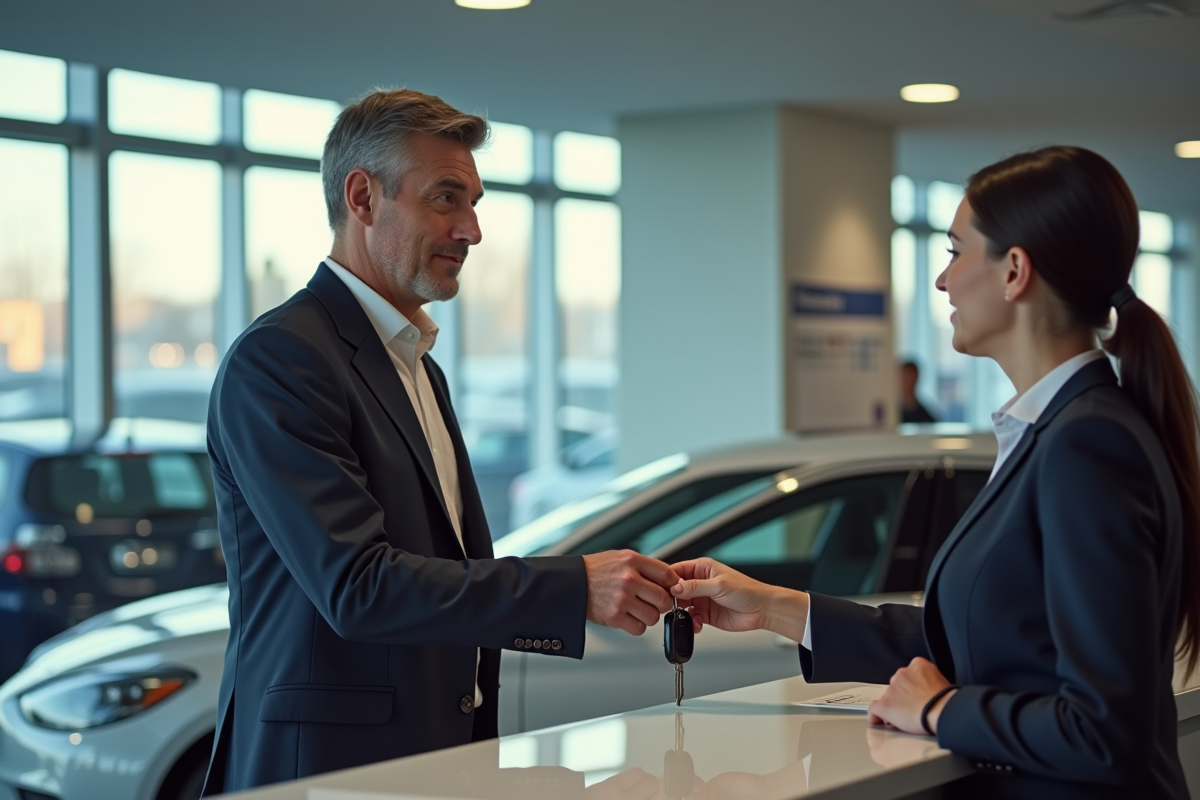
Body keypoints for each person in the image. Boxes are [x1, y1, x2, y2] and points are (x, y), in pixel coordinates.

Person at [670, 146, 1199, 799]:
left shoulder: (1086, 442)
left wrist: (941, 711)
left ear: (1014, 272)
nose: (943, 282)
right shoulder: (1063, 428)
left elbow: (1104, 731)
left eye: (954, 252)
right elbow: (985, 638)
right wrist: (777, 609)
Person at [202, 89, 678, 795]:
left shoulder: (416, 364)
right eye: (446, 199)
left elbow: (434, 573)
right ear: (362, 197)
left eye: (474, 202)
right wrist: (572, 587)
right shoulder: (282, 359)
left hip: (430, 761)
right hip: (329, 774)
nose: (472, 229)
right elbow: (359, 587)